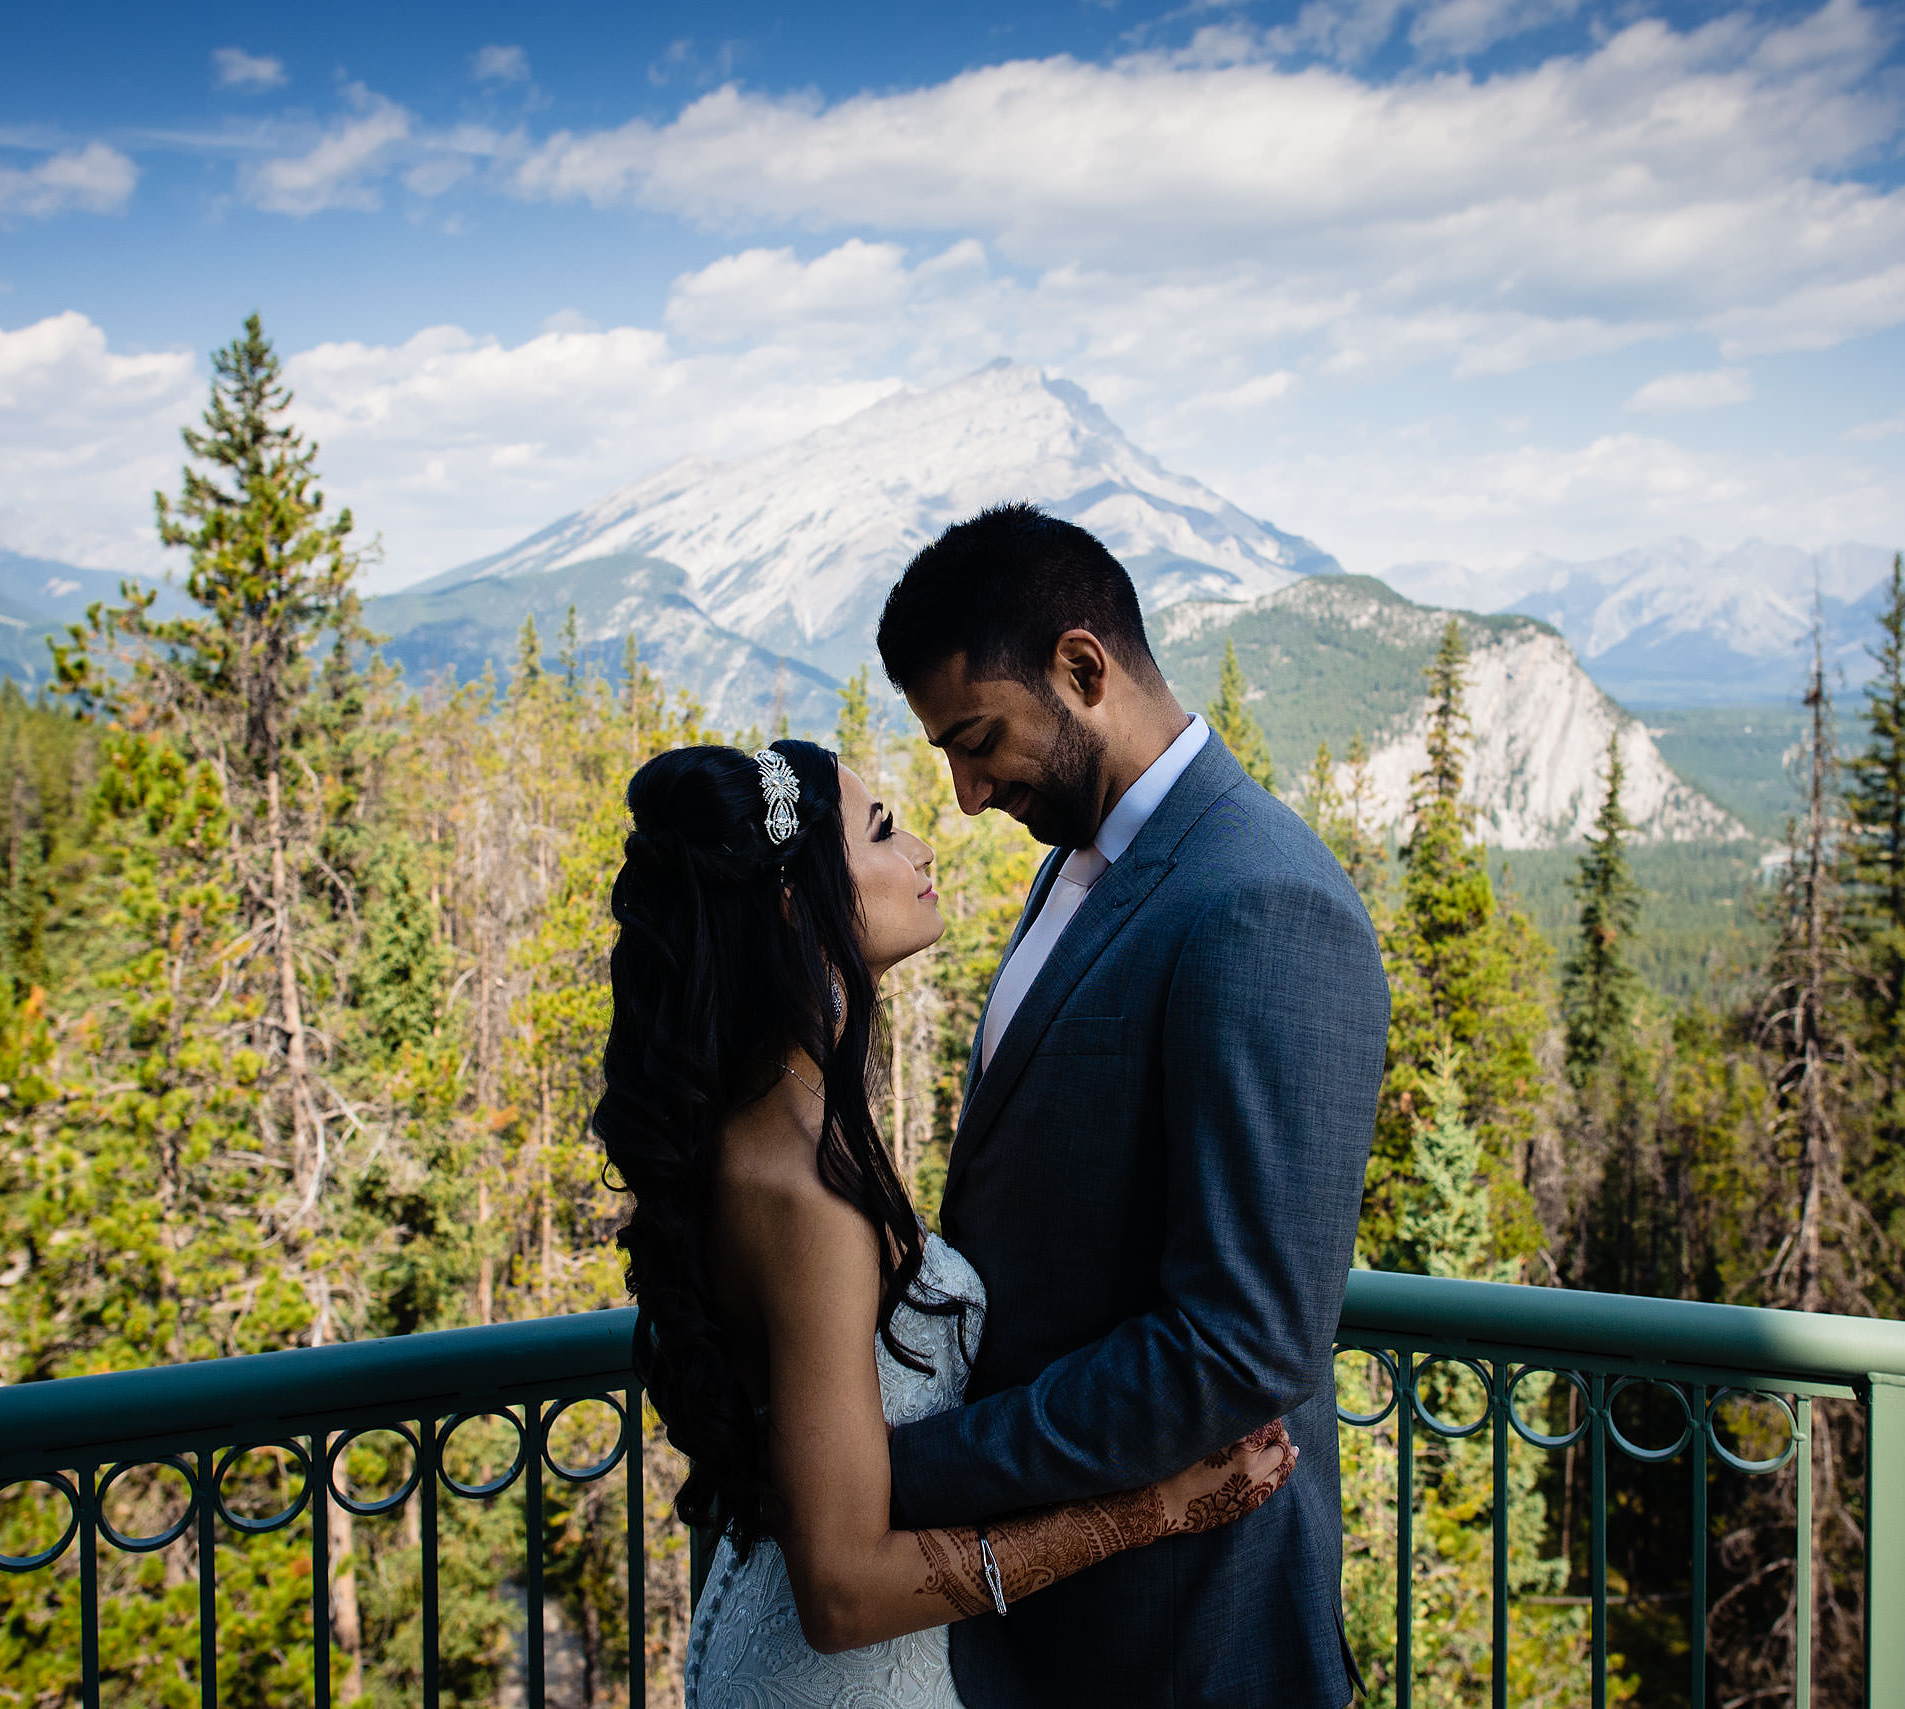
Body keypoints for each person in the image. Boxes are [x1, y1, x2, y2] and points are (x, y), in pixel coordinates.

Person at [595, 738, 1299, 1709]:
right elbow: (840, 1592)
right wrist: (1144, 1510)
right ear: (798, 905)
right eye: (883, 829)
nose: (924, 846)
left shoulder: (778, 1116)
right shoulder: (806, 1192)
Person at [871, 503, 1390, 1708]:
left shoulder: (1261, 901)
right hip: (1055, 1613)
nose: (962, 792)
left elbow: (1243, 1340)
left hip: (1180, 1627)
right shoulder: (1081, 859)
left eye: (978, 737)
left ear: (1082, 667)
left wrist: (911, 1471)